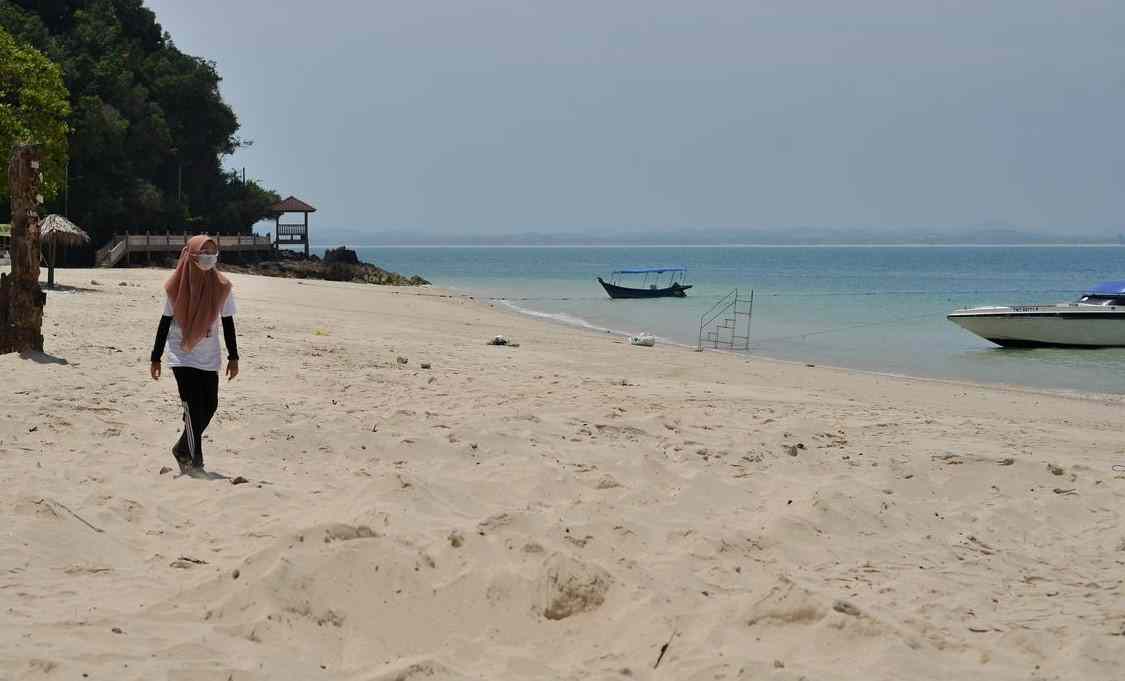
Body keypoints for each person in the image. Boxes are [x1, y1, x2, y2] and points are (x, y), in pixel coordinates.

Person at [150, 235, 239, 476]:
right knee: (192, 407)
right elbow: (164, 322)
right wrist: (156, 357)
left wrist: (234, 357)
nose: (210, 257)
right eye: (204, 252)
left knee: (210, 405)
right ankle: (195, 460)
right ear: (191, 255)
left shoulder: (222, 287)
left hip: (209, 356)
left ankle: (181, 447)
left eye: (213, 252)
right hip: (182, 354)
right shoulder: (176, 286)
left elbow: (228, 323)